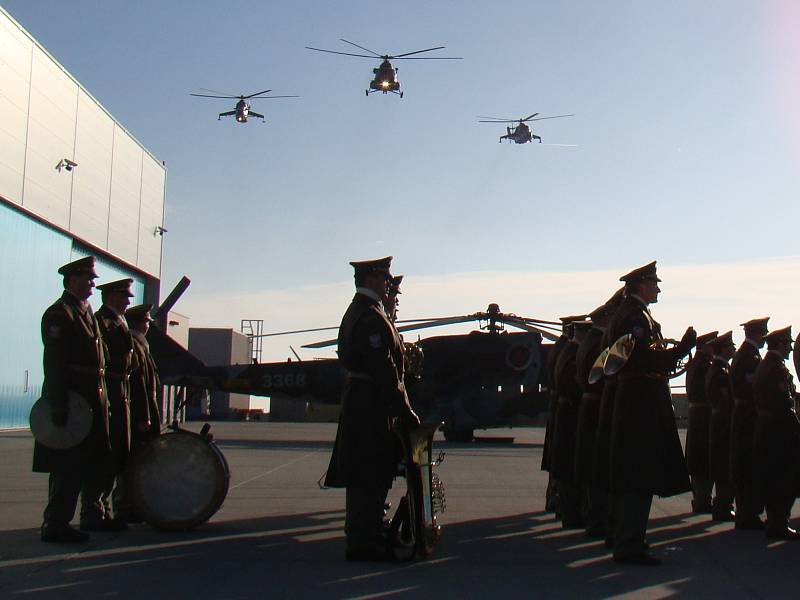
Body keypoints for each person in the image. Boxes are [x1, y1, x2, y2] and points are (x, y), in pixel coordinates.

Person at [324, 257, 419, 561]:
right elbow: (384, 369)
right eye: (384, 278)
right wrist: (404, 409)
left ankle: (368, 533)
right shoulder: (368, 316)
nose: (388, 283)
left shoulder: (368, 312)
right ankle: (364, 541)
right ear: (370, 279)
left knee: (371, 472)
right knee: (369, 473)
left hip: (367, 404)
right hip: (369, 407)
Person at [607, 261, 695, 565]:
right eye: (654, 282)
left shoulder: (632, 314)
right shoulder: (634, 318)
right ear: (642, 284)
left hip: (636, 402)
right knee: (637, 474)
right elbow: (644, 361)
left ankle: (629, 538)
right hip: (639, 405)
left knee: (636, 473)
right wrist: (682, 350)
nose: (658, 287)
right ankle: (629, 543)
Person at [33, 256, 112, 543]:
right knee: (67, 464)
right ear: (72, 280)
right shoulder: (60, 314)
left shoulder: (84, 312)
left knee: (87, 462)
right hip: (72, 397)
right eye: (88, 278)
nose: (93, 284)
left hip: (89, 397)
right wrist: (59, 403)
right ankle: (55, 523)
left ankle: (83, 516)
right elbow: (54, 362)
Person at [574, 291, 624, 538]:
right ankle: (598, 521)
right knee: (600, 468)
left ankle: (595, 517)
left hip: (591, 408)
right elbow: (608, 374)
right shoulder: (599, 343)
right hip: (597, 409)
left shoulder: (590, 342)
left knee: (594, 468)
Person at [94, 278, 136, 529]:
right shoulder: (103, 323)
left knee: (118, 453)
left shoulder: (119, 323)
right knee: (106, 455)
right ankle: (98, 510)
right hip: (109, 391)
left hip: (120, 392)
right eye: (124, 296)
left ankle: (104, 509)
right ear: (111, 297)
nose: (127, 301)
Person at [753, 326, 800, 539]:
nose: (790, 349)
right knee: (783, 478)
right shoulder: (776, 369)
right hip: (779, 430)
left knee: (773, 477)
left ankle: (776, 521)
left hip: (768, 429)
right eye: (788, 345)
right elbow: (783, 403)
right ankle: (778, 523)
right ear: (780, 345)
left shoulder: (767, 365)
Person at [551, 319, 592, 528]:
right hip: (571, 416)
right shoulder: (574, 355)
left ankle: (568, 511)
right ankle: (571, 515)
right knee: (569, 469)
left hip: (564, 414)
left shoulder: (566, 351)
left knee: (565, 468)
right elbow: (573, 385)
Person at [683, 331, 719, 514]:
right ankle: (702, 499)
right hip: (703, 415)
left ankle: (701, 498)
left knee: (700, 459)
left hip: (698, 415)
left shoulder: (695, 363)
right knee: (703, 459)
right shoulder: (703, 365)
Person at [705, 331, 737, 522]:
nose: (733, 348)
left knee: (724, 464)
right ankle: (722, 506)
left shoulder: (719, 368)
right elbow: (725, 399)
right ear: (723, 349)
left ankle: (723, 505)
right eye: (730, 346)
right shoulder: (719, 370)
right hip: (723, 421)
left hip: (720, 420)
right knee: (724, 465)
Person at [126, 304, 162, 448]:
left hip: (146, 406)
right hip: (141, 409)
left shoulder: (141, 345)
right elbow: (138, 382)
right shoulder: (136, 345)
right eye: (147, 322)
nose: (148, 326)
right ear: (140, 324)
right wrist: (143, 416)